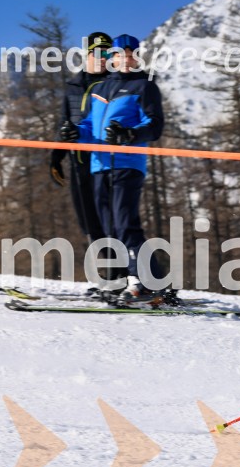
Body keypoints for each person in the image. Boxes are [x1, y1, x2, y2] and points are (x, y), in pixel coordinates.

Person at [60, 34, 165, 304]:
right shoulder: (101, 89)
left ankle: (149, 283)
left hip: (127, 165)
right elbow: (89, 126)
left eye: (131, 55)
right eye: (120, 55)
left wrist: (129, 134)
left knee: (125, 223)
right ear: (113, 59)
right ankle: (122, 282)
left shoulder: (144, 87)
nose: (126, 60)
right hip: (100, 165)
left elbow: (154, 126)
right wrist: (74, 132)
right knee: (109, 227)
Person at [50, 31, 114, 294]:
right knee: (87, 221)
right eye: (97, 53)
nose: (102, 59)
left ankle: (117, 276)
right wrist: (56, 155)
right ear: (87, 55)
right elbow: (65, 123)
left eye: (108, 54)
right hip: (79, 164)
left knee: (109, 219)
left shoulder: (113, 83)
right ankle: (106, 276)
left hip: (105, 163)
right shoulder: (73, 86)